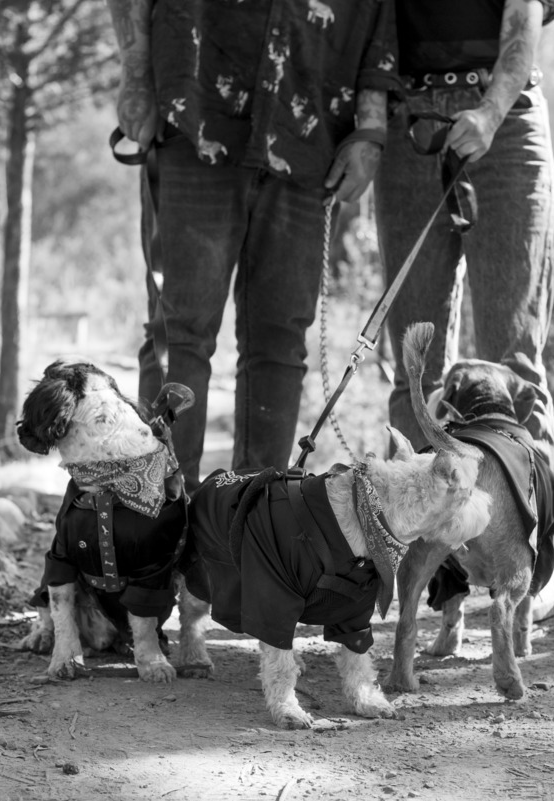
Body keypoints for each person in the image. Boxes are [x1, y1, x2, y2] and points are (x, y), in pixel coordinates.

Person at [105, 0, 398, 490]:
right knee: (180, 332)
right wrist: (136, 75)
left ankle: (248, 529)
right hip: (195, 113)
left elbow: (380, 14)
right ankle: (158, 516)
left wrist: (370, 129)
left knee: (280, 343)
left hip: (311, 129)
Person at [375, 0, 554, 462]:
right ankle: (418, 529)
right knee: (416, 368)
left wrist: (490, 112)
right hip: (409, 124)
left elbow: (524, 19)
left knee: (514, 360)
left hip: (507, 120)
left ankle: (528, 527)